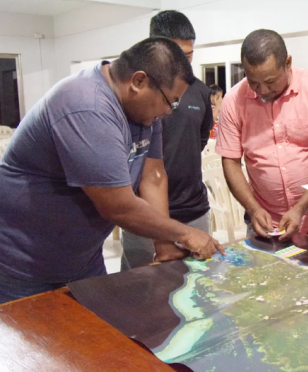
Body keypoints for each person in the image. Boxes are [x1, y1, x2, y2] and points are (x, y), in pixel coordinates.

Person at [0, 37, 224, 304]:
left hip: (83, 258)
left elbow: (152, 176)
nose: (168, 112)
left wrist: (164, 245)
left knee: (94, 336)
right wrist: (185, 233)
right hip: (25, 265)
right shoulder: (86, 105)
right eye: (169, 102)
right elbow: (118, 207)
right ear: (138, 82)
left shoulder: (144, 111)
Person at [216, 29, 308, 242]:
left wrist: (300, 208)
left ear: (287, 63)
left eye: (270, 81)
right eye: (254, 82)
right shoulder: (234, 100)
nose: (263, 90)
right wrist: (253, 208)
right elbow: (230, 162)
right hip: (264, 221)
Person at [121, 10, 214, 269]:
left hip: (192, 208)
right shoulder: (135, 95)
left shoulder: (198, 91)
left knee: (195, 288)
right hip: (143, 213)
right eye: (176, 56)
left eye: (188, 55)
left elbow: (200, 138)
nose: (183, 65)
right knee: (140, 289)